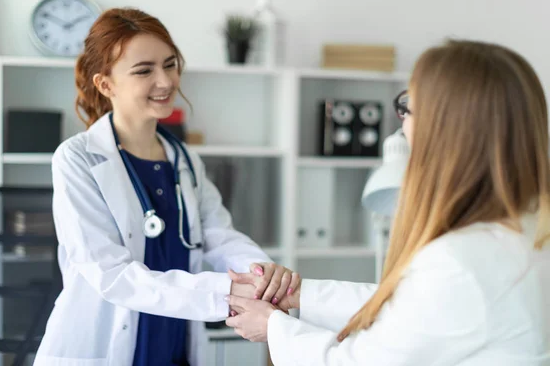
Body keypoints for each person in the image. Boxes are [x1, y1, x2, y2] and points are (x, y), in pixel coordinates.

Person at [225, 39, 550, 365]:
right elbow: (413, 309)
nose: (403, 122)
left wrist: (273, 327)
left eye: (409, 107)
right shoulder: (526, 228)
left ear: (444, 129)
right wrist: (300, 296)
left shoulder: (459, 261)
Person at [33, 7, 299, 366]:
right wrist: (224, 291)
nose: (166, 80)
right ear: (106, 84)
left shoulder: (185, 160)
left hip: (173, 344)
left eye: (170, 64)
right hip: (103, 347)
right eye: (144, 70)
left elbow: (219, 235)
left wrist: (262, 275)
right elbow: (112, 275)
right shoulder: (78, 159)